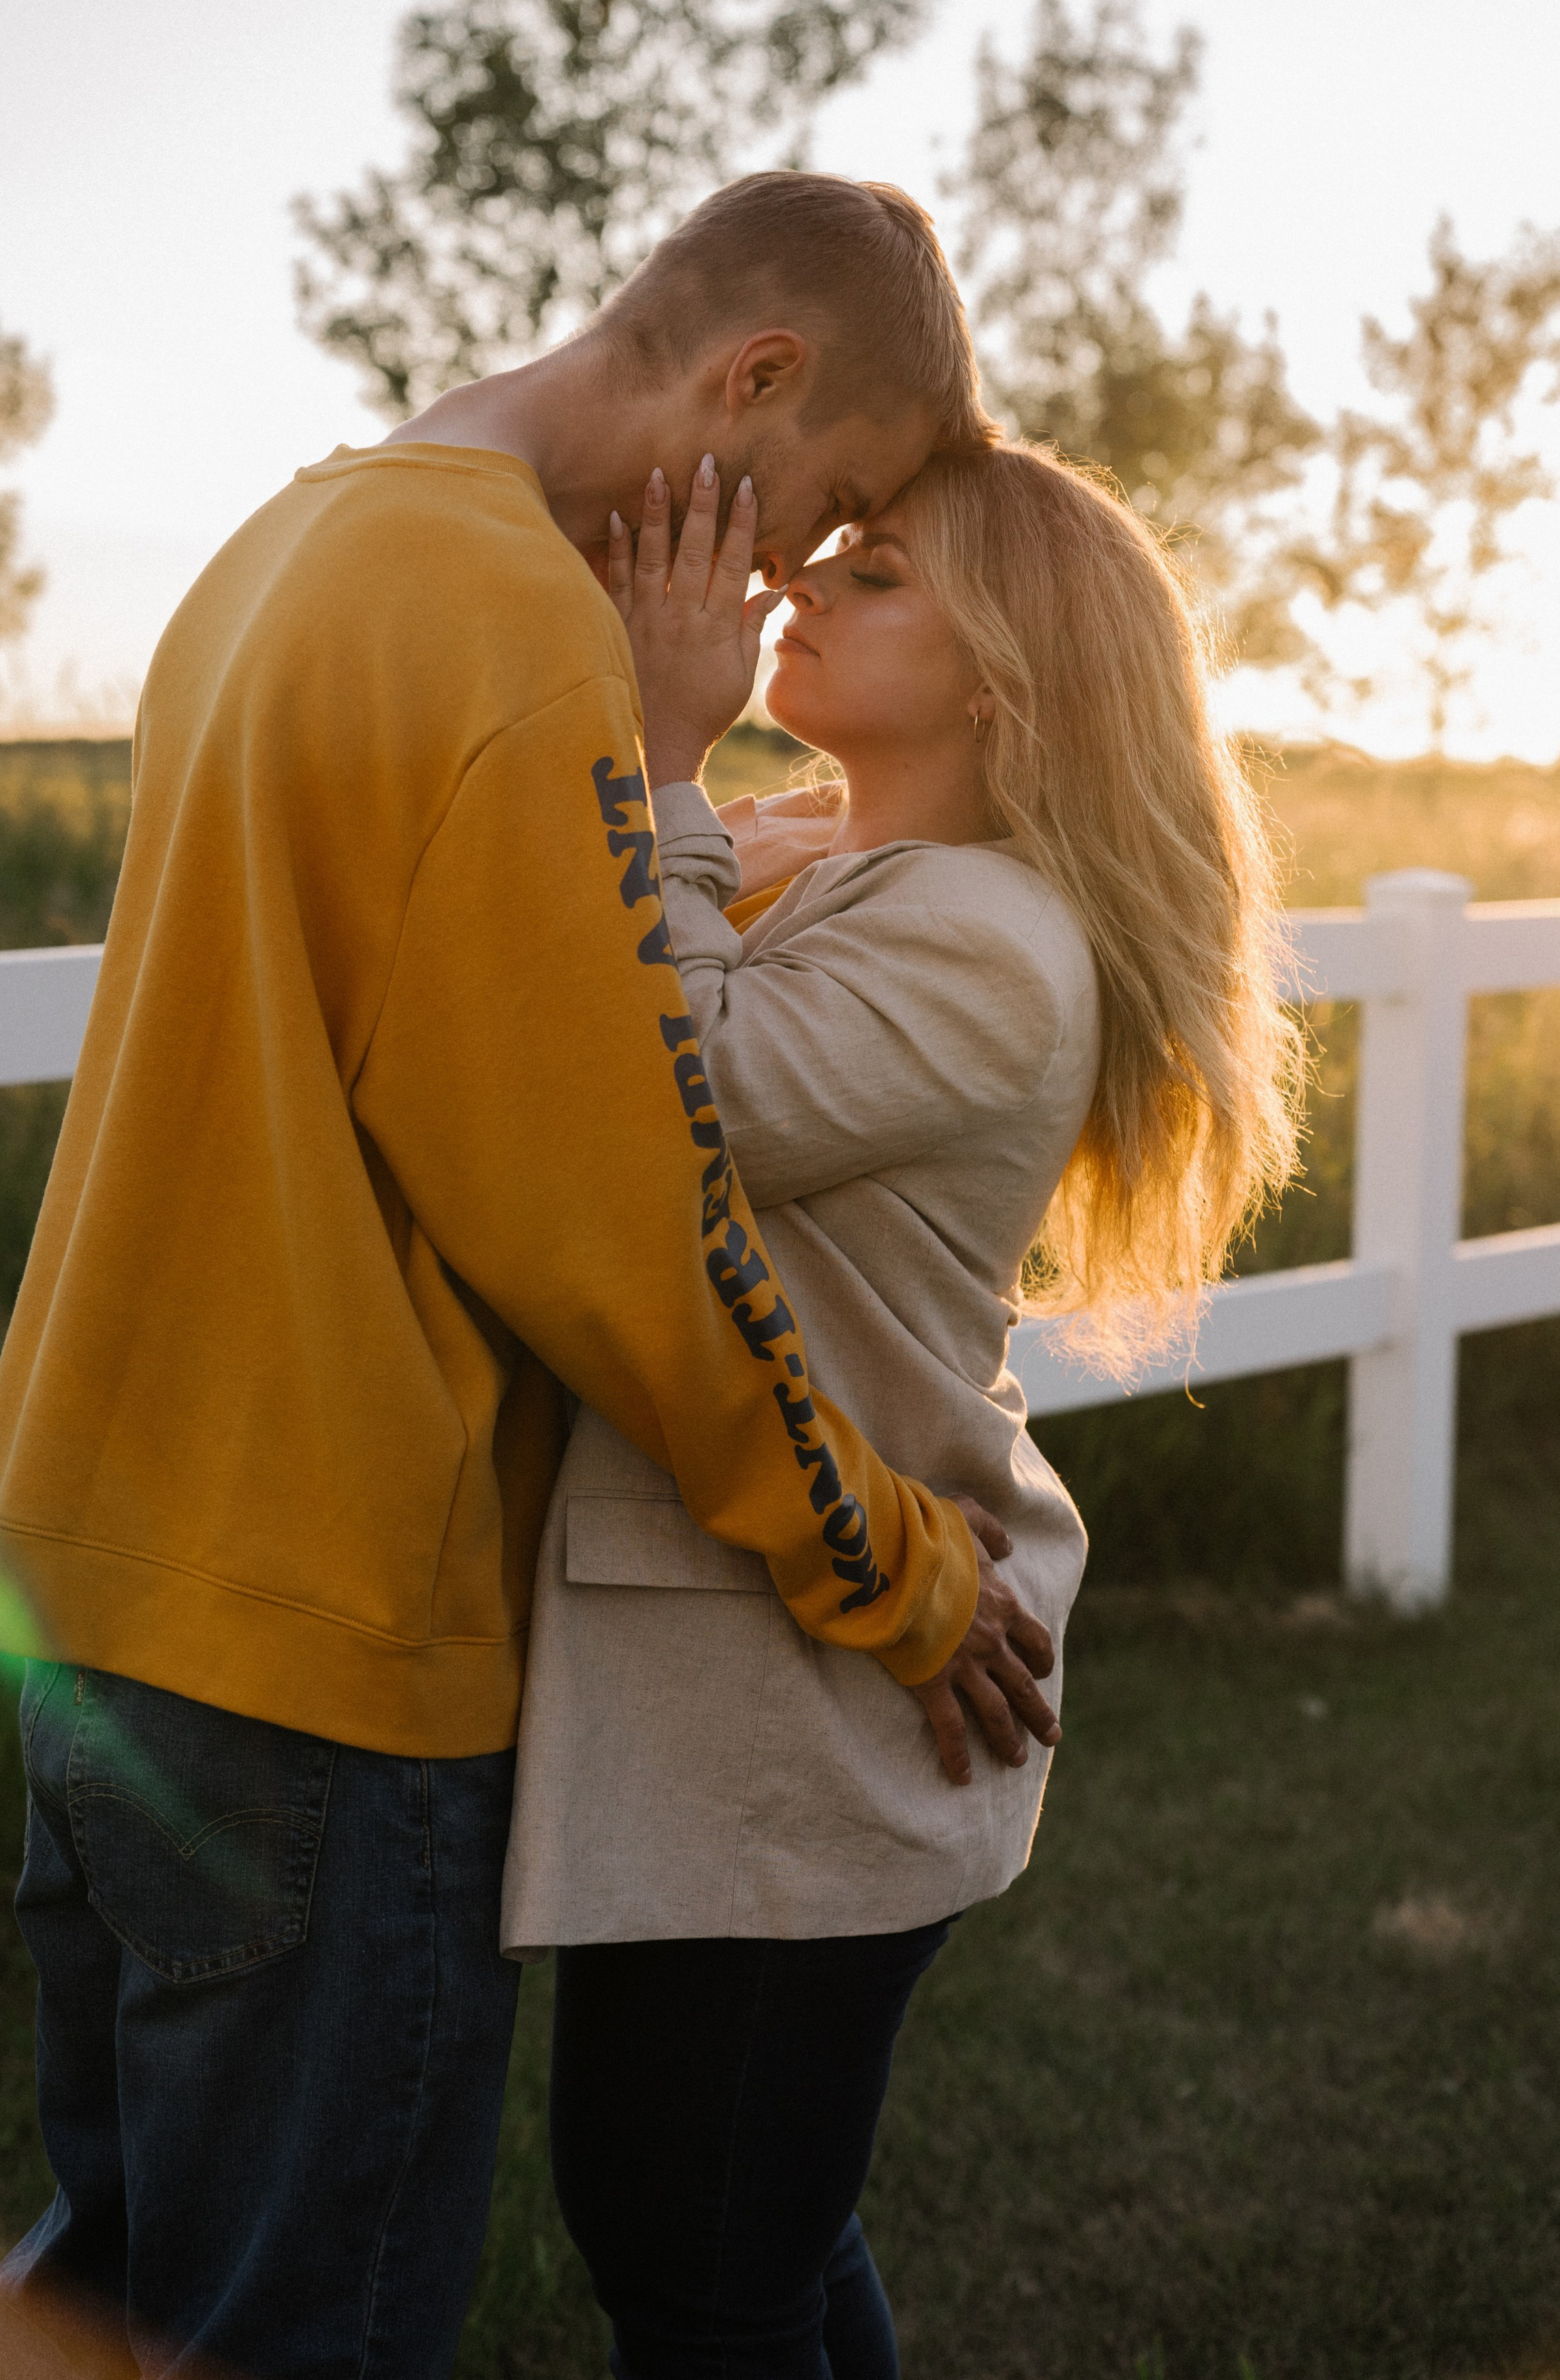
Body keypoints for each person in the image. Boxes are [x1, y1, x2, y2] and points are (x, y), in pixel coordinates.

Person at [0, 174, 1062, 2379]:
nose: (779, 576)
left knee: (111, 2296)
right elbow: (607, 1223)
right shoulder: (506, 631)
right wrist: (891, 1564)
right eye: (828, 504)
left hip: (100, 1592)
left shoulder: (295, 541)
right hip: (319, 1623)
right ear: (750, 379)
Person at [503, 438, 1304, 2378]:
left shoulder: (988, 937)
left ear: (1000, 678)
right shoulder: (869, 873)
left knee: (696, 2248)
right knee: (738, 2236)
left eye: (873, 573)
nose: (800, 585)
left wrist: (672, 761)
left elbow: (677, 1109)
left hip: (802, 1680)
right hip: (774, 1654)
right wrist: (717, 819)